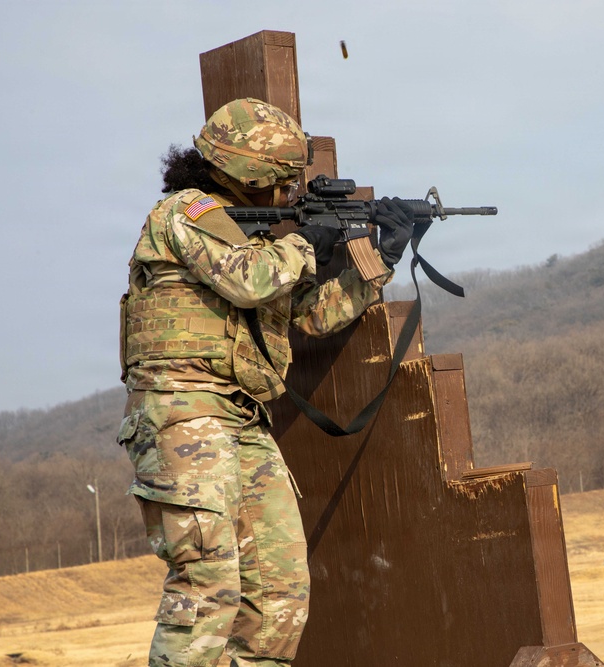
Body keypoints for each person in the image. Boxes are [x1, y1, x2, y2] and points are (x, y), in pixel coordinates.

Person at [117, 98, 414, 667]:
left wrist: (379, 260)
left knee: (279, 595)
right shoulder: (186, 213)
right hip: (185, 413)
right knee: (207, 586)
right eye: (279, 183)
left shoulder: (259, 242)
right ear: (248, 174)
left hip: (245, 421)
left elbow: (309, 315)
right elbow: (252, 281)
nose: (285, 195)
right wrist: (308, 243)